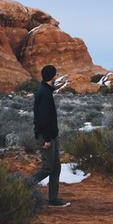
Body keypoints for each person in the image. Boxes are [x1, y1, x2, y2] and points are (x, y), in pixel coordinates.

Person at [29, 65, 70, 208]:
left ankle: (53, 199)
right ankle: (23, 185)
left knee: (56, 167)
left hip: (51, 135)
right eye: (55, 75)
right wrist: (47, 139)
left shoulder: (46, 90)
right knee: (48, 167)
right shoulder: (44, 93)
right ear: (52, 76)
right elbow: (43, 118)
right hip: (46, 137)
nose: (56, 77)